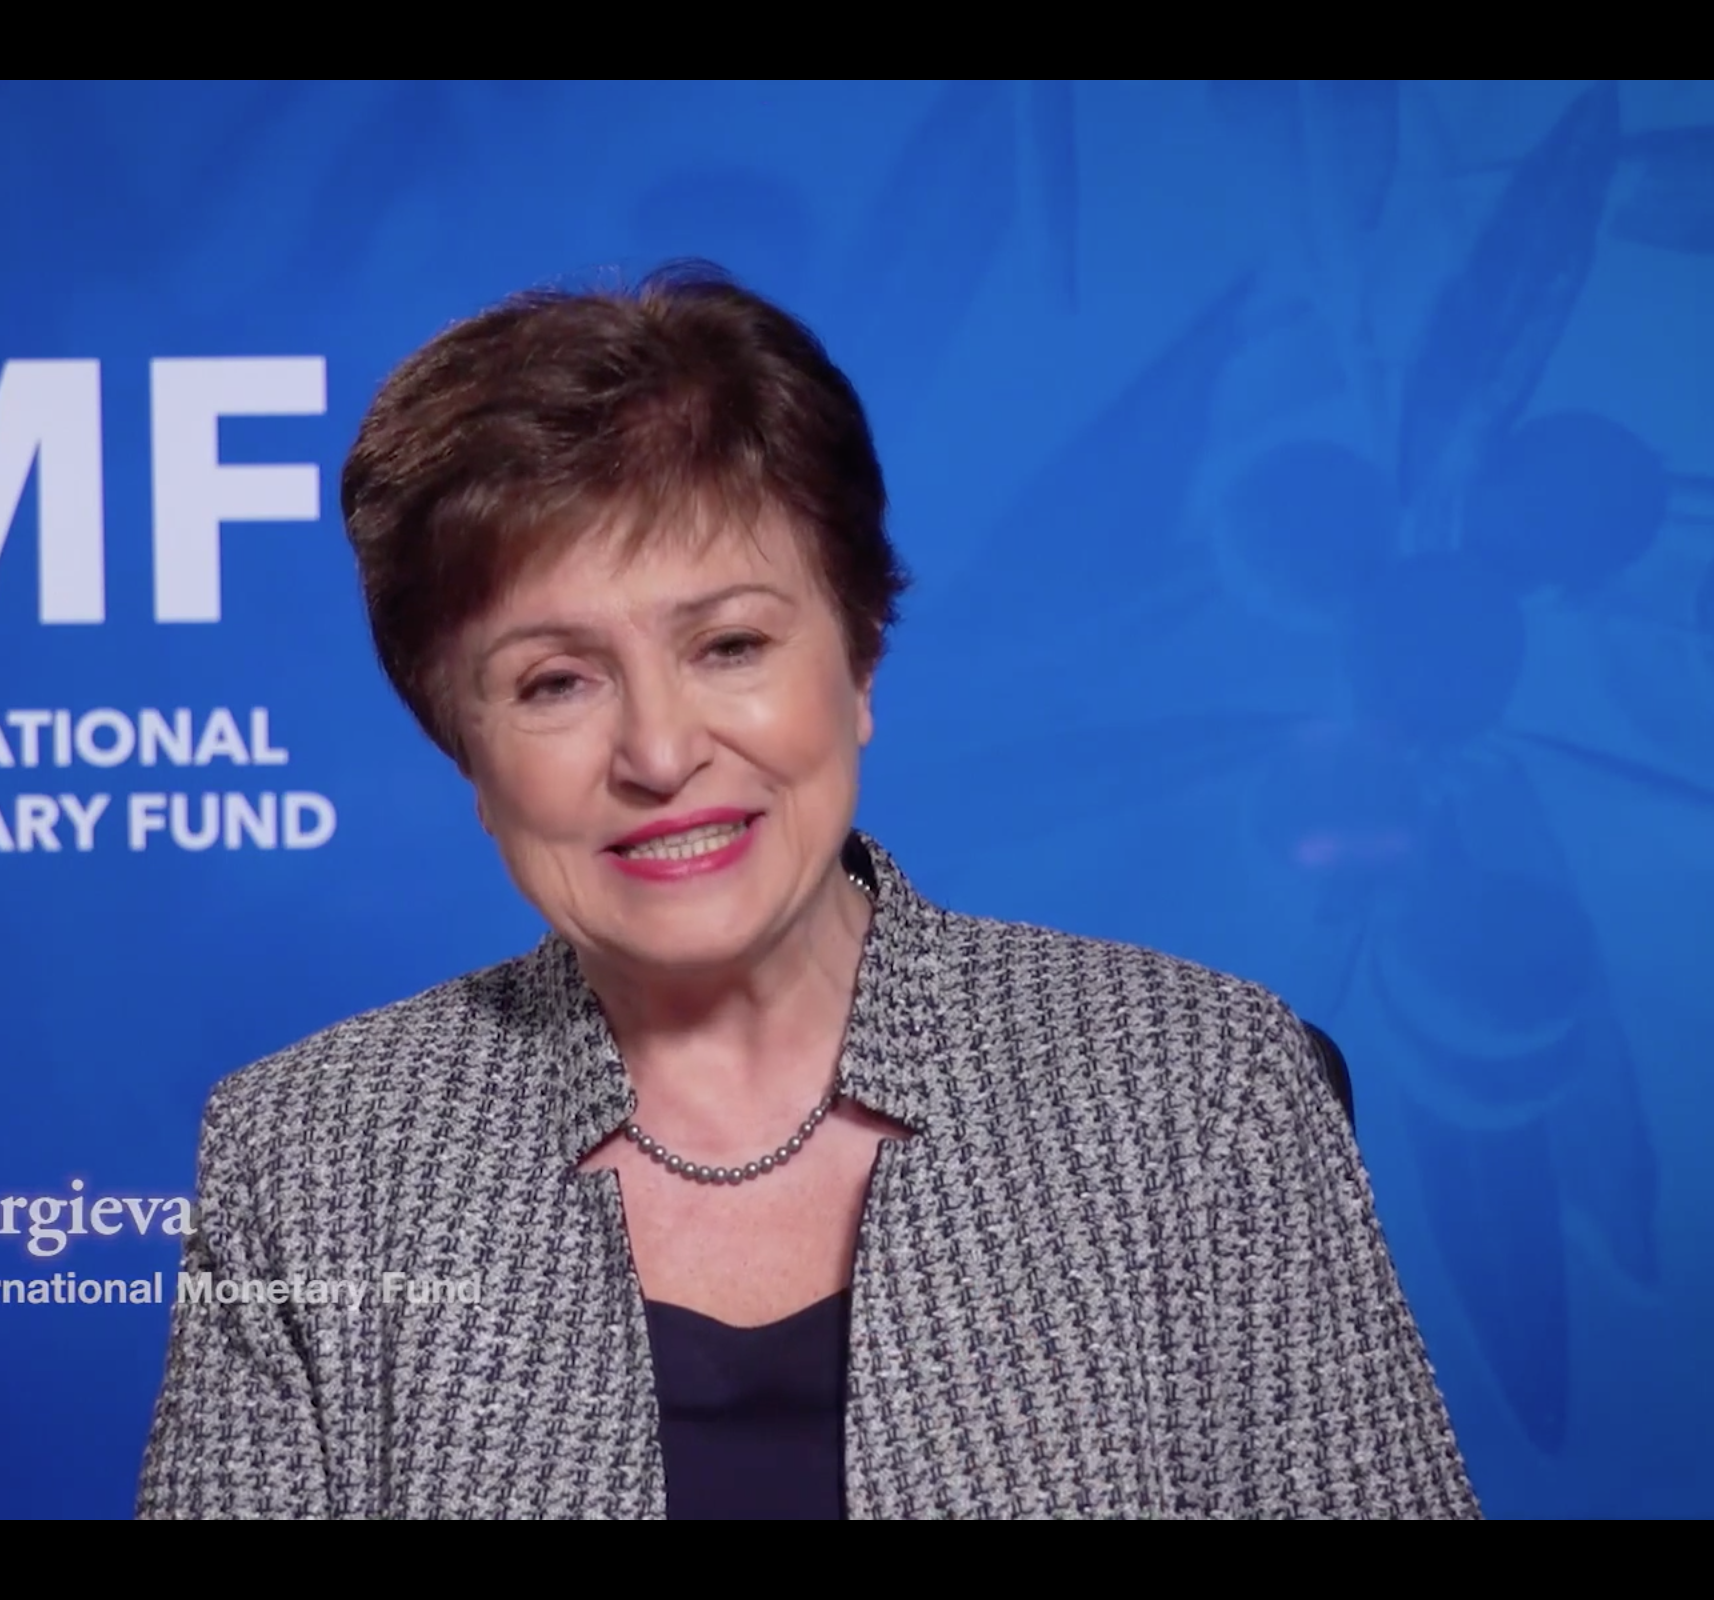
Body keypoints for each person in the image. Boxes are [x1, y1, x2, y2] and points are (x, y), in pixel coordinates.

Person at [135, 263, 1481, 1520]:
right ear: (465, 751)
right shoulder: (310, 1161)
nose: (659, 753)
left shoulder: (1203, 1093)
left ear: (860, 661)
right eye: (555, 681)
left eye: (729, 645)